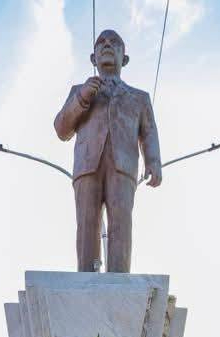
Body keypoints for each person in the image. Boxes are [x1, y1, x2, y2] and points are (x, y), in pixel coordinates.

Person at [53, 29, 163, 273]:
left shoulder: (139, 98)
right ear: (93, 58)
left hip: (123, 168)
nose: (107, 45)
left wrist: (154, 161)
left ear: (124, 58)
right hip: (86, 167)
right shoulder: (79, 91)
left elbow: (149, 132)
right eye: (101, 42)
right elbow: (61, 128)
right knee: (87, 224)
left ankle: (119, 278)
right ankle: (87, 275)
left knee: (121, 224)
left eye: (114, 43)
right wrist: (82, 98)